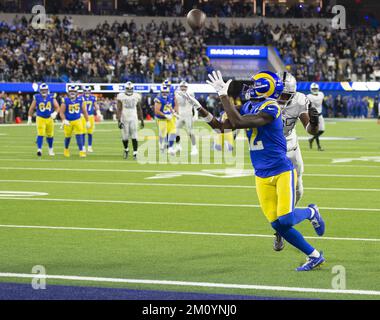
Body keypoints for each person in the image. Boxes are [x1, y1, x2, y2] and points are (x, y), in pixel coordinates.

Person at [181, 70, 326, 271]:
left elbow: (239, 122)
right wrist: (199, 108)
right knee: (277, 225)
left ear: (265, 88)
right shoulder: (250, 105)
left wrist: (224, 95)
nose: (250, 88)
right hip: (261, 174)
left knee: (286, 218)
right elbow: (221, 127)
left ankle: (312, 211)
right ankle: (314, 255)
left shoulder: (272, 106)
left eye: (254, 84)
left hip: (282, 170)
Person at [274, 72, 319, 251]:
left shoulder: (299, 100)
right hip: (270, 150)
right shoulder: (263, 99)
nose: (282, 99)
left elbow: (310, 130)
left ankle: (282, 227)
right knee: (272, 193)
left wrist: (315, 122)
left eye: (286, 96)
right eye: (279, 94)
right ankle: (281, 226)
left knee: (298, 189)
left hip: (290, 148)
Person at [27, 83, 60, 156]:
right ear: (40, 90)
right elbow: (32, 108)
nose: (44, 91)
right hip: (40, 118)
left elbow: (57, 107)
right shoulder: (37, 97)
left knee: (50, 135)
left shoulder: (51, 97)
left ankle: (50, 149)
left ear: (47, 90)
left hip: (49, 118)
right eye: (42, 90)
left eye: (45, 90)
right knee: (40, 134)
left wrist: (55, 113)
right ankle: (39, 149)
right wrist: (29, 118)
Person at [60, 85, 90, 158]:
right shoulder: (65, 100)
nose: (72, 93)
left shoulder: (80, 99)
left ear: (77, 92)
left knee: (79, 135)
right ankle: (66, 149)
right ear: (68, 92)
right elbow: (61, 112)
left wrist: (87, 121)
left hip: (77, 120)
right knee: (67, 137)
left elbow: (84, 111)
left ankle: (81, 151)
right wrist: (64, 120)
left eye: (74, 91)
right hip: (68, 121)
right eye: (71, 92)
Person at [116, 82, 144, 160]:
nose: (129, 90)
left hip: (133, 117)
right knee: (125, 136)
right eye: (128, 89)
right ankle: (126, 149)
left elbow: (139, 108)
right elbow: (119, 108)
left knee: (134, 135)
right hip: (124, 117)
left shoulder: (136, 96)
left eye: (130, 89)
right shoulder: (121, 96)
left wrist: (141, 119)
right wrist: (118, 120)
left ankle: (135, 152)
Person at [174, 81, 198, 155]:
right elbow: (179, 103)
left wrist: (196, 114)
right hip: (180, 115)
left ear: (187, 87)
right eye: (182, 86)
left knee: (190, 132)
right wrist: (175, 112)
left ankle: (194, 148)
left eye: (185, 87)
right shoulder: (177, 93)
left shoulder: (190, 93)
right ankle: (178, 146)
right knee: (176, 131)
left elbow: (195, 104)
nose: (183, 88)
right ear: (180, 87)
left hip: (188, 115)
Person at [154, 84, 177, 155]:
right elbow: (156, 111)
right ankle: (161, 147)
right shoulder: (158, 99)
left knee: (173, 131)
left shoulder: (169, 97)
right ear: (161, 92)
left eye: (166, 92)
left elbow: (169, 106)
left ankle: (170, 148)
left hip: (169, 117)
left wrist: (173, 112)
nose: (164, 93)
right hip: (161, 119)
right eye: (163, 92)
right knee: (163, 134)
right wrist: (165, 115)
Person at [81, 85, 101, 153]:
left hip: (91, 116)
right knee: (83, 132)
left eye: (88, 91)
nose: (87, 92)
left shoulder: (93, 97)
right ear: (83, 91)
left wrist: (98, 112)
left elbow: (95, 105)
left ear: (90, 91)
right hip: (82, 116)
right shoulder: (80, 97)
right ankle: (83, 147)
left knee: (90, 133)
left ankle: (89, 147)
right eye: (85, 91)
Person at [307, 83, 325, 151]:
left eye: (315, 89)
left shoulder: (321, 94)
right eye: (313, 89)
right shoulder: (309, 96)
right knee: (316, 132)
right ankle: (319, 147)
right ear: (311, 89)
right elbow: (308, 106)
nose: (315, 90)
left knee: (322, 130)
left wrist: (329, 108)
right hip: (314, 116)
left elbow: (323, 103)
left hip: (320, 115)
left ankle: (311, 139)